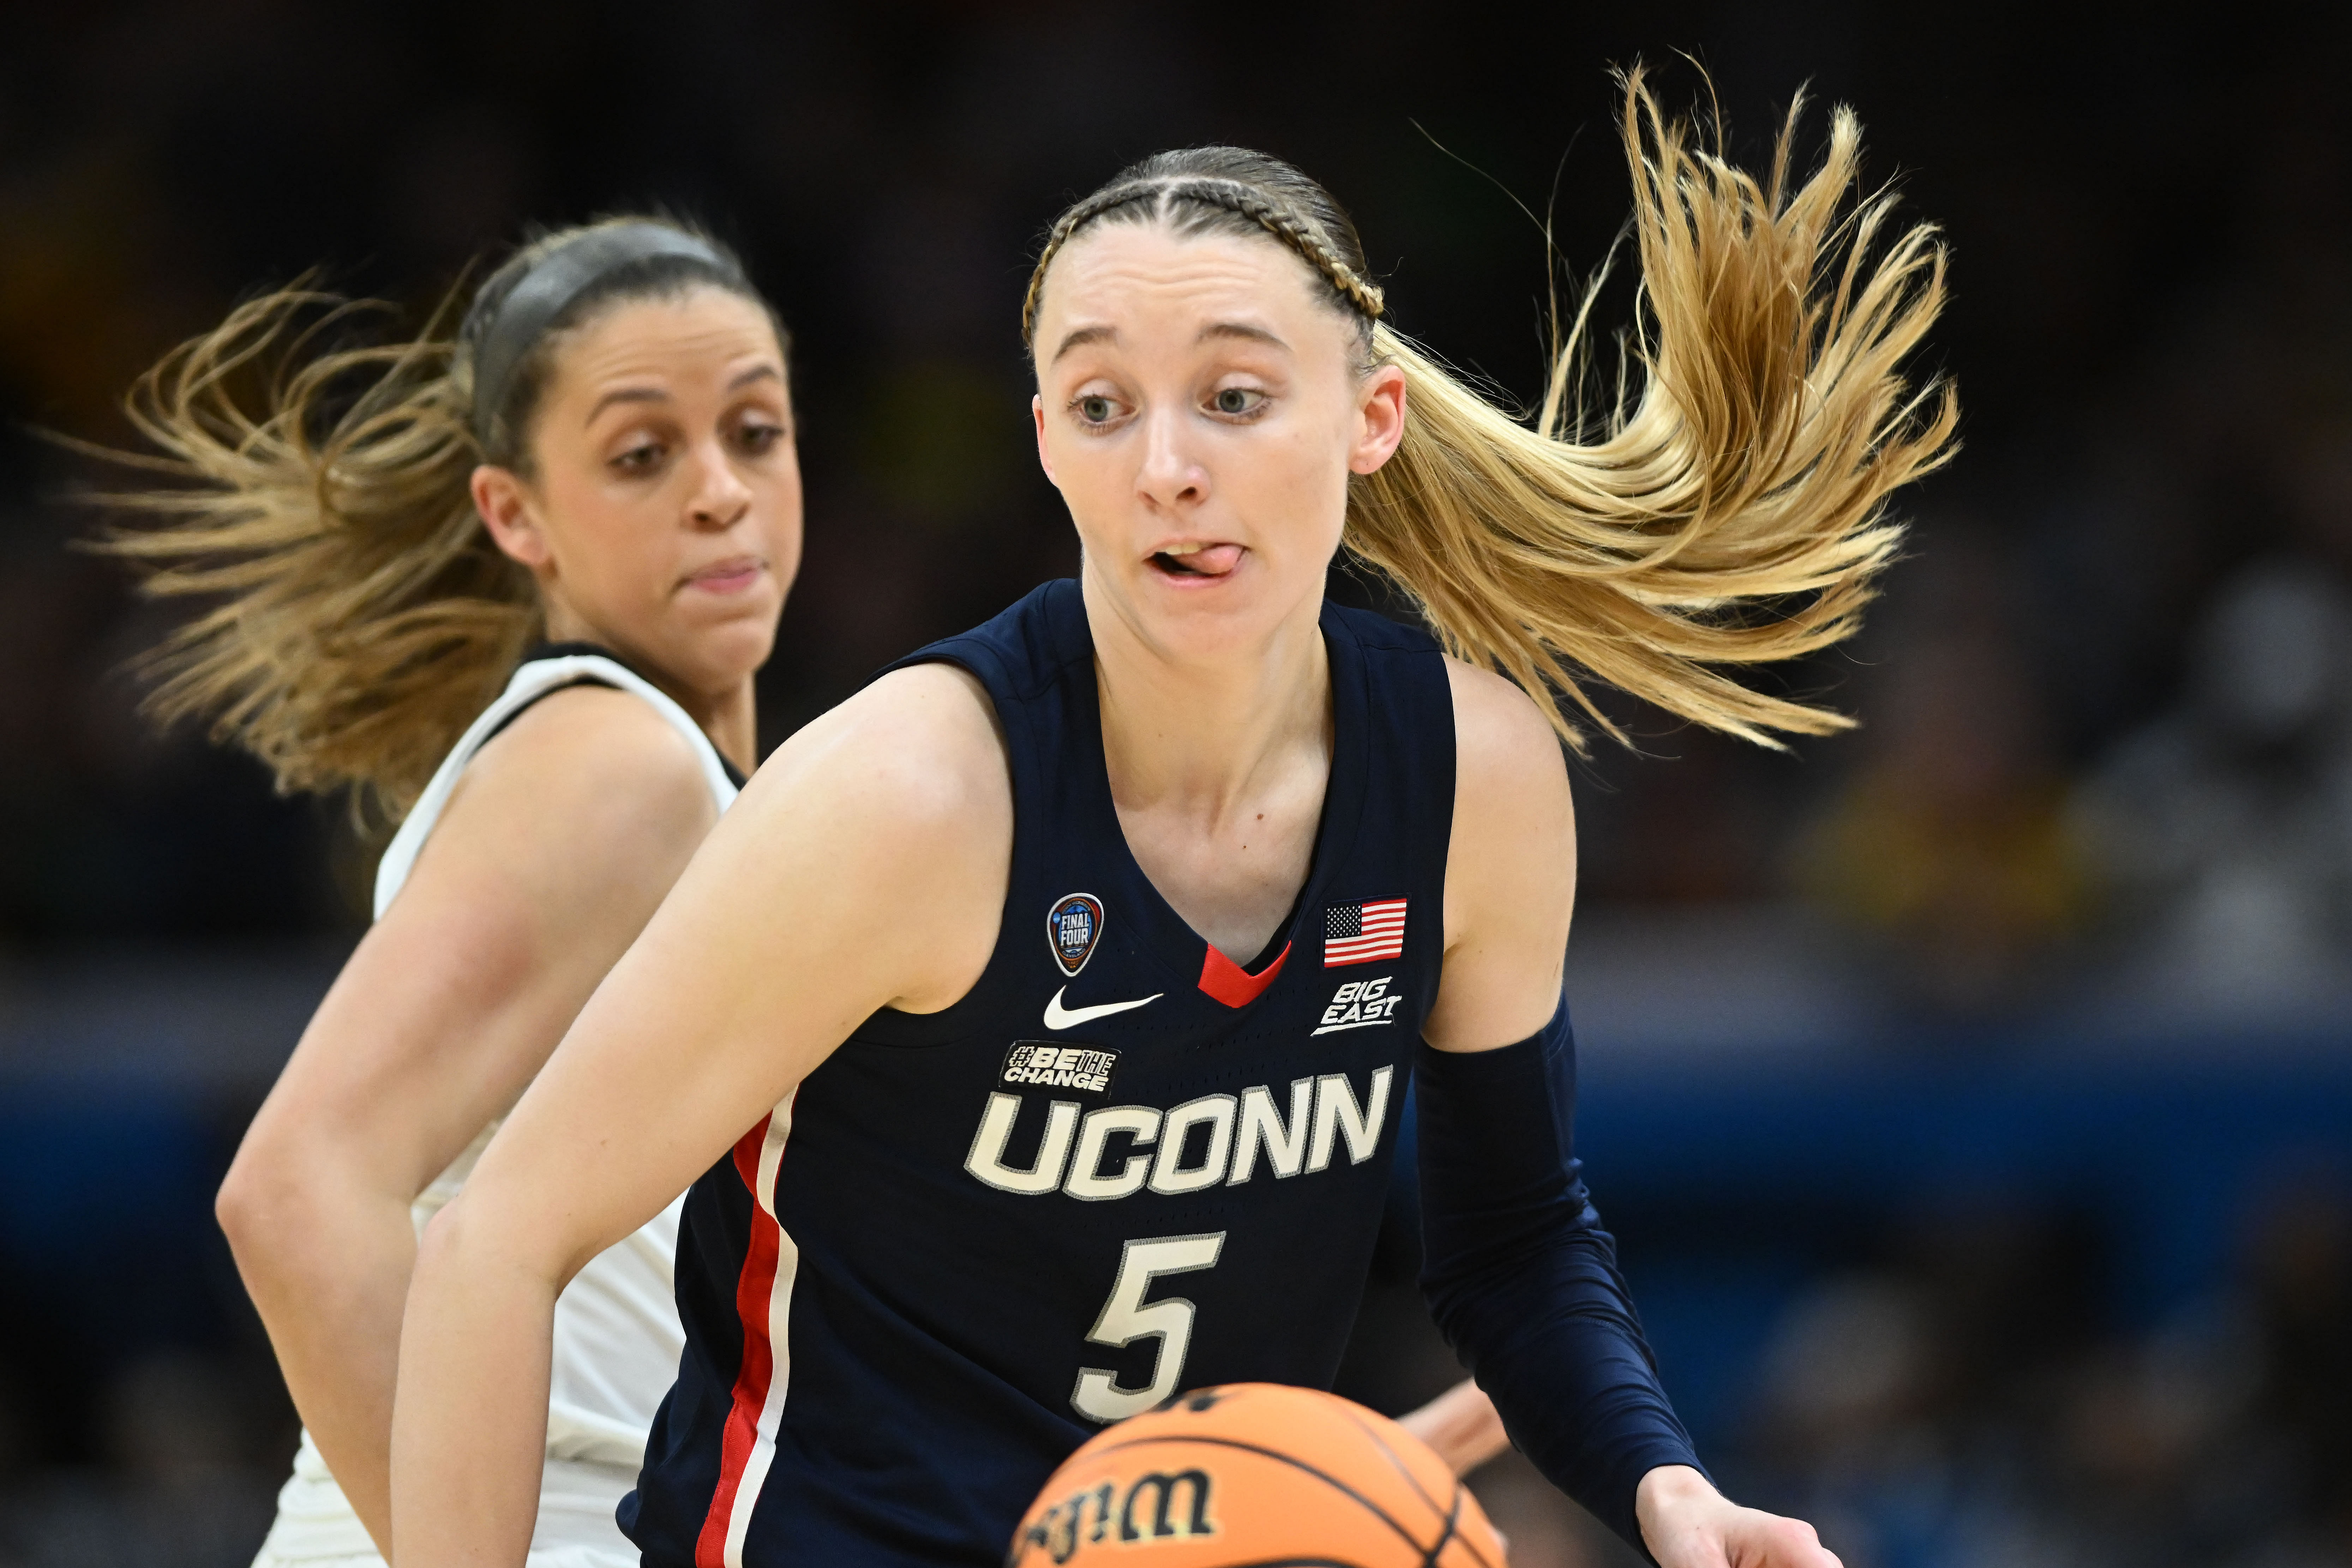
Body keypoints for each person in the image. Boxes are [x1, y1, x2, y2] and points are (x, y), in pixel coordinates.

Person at [391, 72, 1954, 1568]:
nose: (1166, 469)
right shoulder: (909, 798)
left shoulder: (1470, 778)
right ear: (1044, 442)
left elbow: (1516, 1244)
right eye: (1100, 402)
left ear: (1371, 420)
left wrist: (1666, 1491)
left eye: (1232, 397)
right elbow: (493, 1240)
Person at [98, 217, 801, 1567]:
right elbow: (298, 1188)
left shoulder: (676, 776)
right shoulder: (617, 764)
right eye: (643, 453)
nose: (721, 491)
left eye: (756, 432)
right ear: (513, 513)